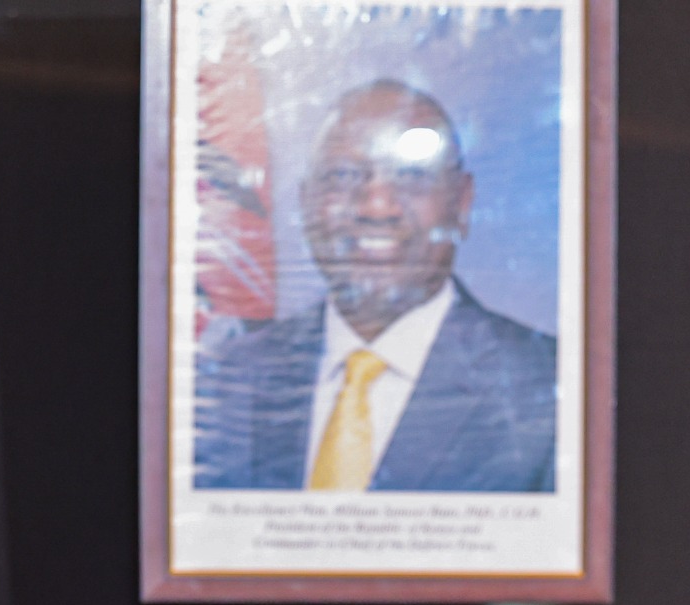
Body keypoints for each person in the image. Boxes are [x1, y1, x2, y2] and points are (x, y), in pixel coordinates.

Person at [194, 80, 558, 494]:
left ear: (461, 203)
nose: (376, 206)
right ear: (306, 201)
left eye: (413, 175)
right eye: (344, 175)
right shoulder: (224, 381)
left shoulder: (550, 390)